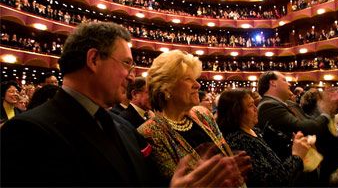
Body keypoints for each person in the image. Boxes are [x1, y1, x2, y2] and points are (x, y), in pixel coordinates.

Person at [1, 22, 250, 187]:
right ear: (94, 59)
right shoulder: (28, 132)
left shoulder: (123, 128)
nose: (132, 76)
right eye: (127, 64)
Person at [138, 50, 251, 185]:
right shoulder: (150, 132)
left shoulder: (203, 114)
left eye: (195, 78)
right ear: (166, 88)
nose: (197, 85)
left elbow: (227, 157)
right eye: (187, 79)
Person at [257, 71, 338, 184]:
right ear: (273, 83)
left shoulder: (288, 104)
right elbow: (305, 128)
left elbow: (311, 124)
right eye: (284, 80)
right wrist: (326, 111)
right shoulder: (268, 106)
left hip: (309, 164)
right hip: (295, 170)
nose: (289, 84)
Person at [217, 89, 310, 187]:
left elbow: (276, 164)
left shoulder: (255, 131)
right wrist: (297, 156)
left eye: (254, 104)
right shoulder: (238, 141)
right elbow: (273, 181)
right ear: (236, 112)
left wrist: (295, 145)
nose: (256, 109)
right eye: (250, 105)